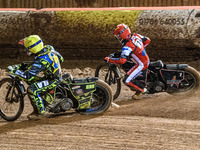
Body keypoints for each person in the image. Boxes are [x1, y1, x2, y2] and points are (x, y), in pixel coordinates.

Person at [10, 35, 64, 120]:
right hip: (52, 76)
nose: (26, 50)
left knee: (32, 89)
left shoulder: (42, 61)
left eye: (27, 48)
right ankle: (45, 100)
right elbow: (61, 59)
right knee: (33, 81)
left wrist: (14, 71)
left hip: (53, 80)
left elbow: (28, 76)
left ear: (32, 48)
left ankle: (40, 113)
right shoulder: (49, 48)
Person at [104, 23, 150, 100]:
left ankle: (141, 89)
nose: (118, 38)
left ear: (122, 34)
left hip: (141, 64)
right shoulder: (136, 35)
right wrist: (141, 49)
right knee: (124, 62)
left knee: (126, 80)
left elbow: (122, 60)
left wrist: (109, 60)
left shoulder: (127, 47)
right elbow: (148, 40)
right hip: (143, 59)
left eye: (118, 35)